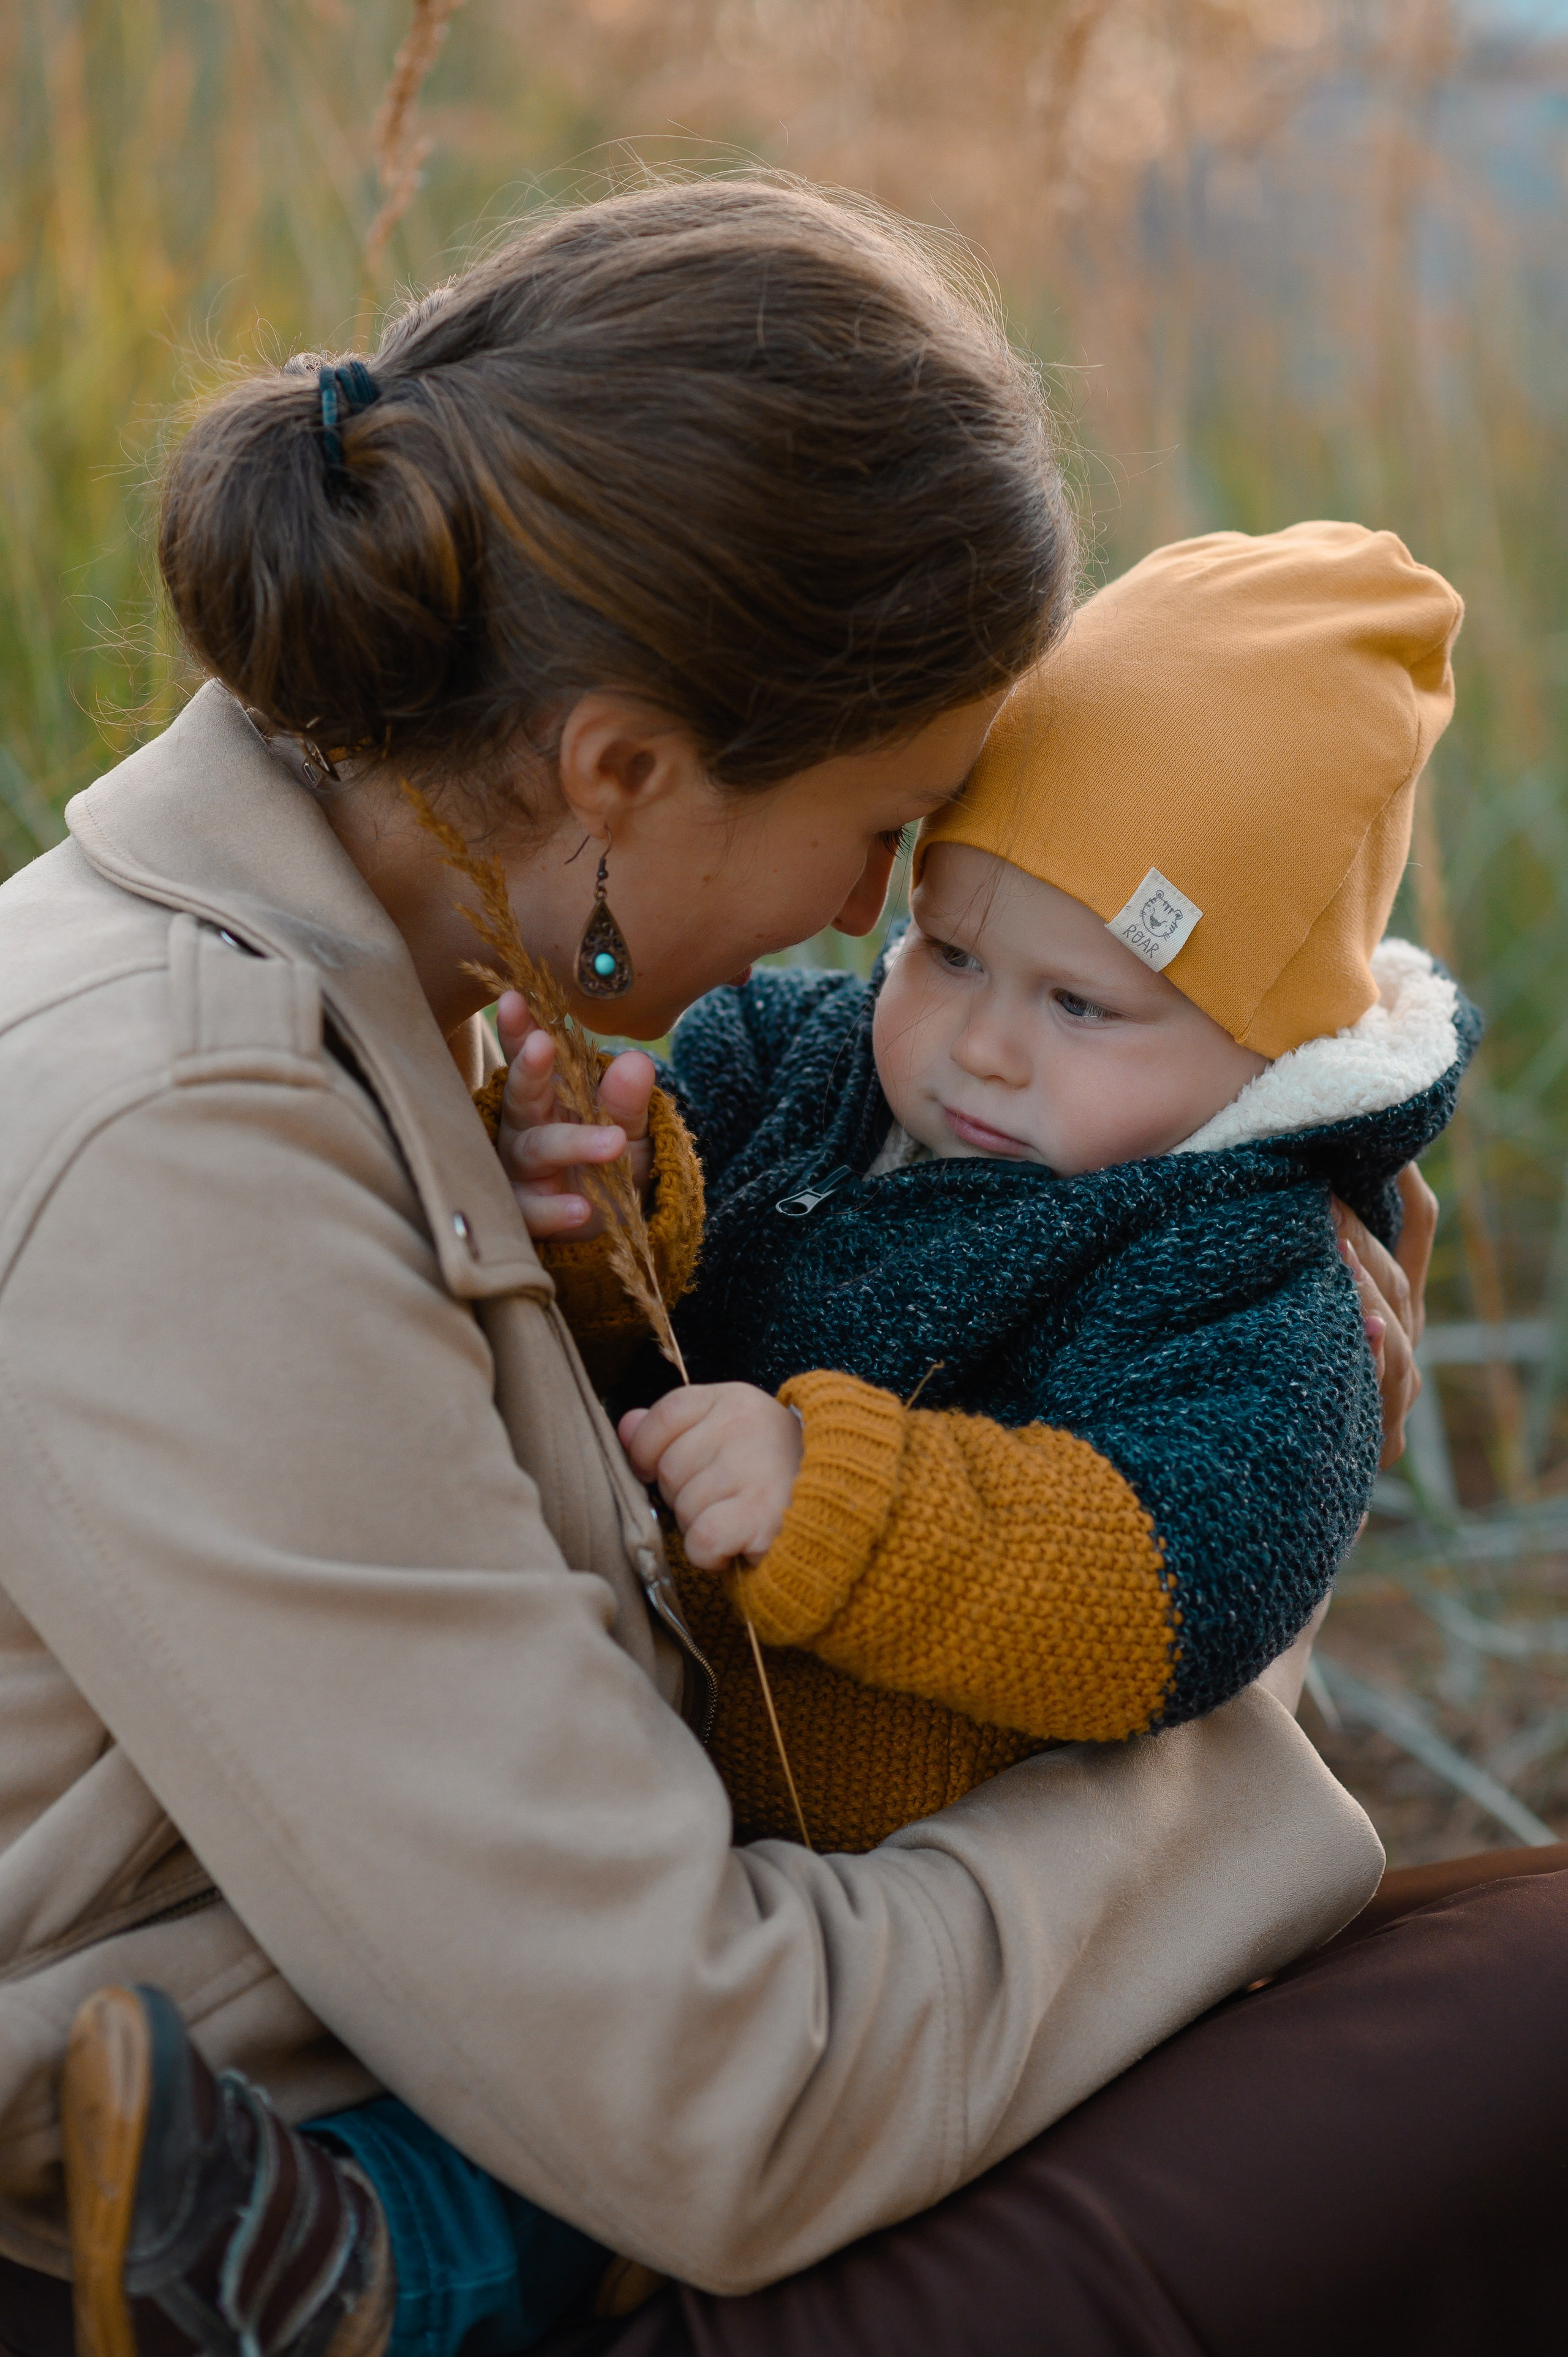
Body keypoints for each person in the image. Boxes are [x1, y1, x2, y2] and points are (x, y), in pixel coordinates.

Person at [0, 178, 1451, 2357]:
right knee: (1518, 2025)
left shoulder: (429, 979)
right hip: (237, 2203)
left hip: (518, 2032)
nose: (874, 929)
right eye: (889, 842)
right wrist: (1242, 1737)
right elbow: (713, 2105)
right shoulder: (183, 1143)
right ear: (618, 769)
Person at [560, 520, 1477, 1852]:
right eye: (948, 951)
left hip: (912, 1896)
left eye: (1079, 1005)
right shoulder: (784, 1056)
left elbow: (1175, 1583)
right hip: (597, 1754)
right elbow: (616, 1305)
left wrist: (846, 1501)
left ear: (1267, 1047)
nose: (981, 1046)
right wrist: (606, 1196)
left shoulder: (1260, 1274)